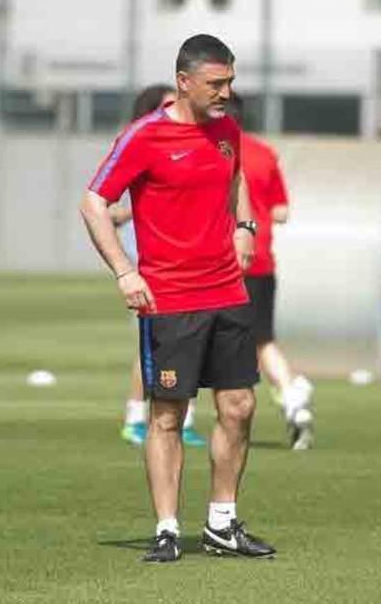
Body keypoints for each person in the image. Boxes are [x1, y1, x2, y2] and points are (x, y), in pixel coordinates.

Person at [80, 33, 275, 564]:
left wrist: (244, 226)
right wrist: (124, 270)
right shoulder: (144, 136)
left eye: (231, 82)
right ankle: (166, 528)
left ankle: (222, 524)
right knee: (167, 414)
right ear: (183, 83)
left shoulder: (228, 130)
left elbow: (236, 180)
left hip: (227, 292)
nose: (226, 93)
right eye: (216, 84)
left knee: (240, 406)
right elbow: (94, 203)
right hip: (169, 299)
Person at [114, 84, 208, 449]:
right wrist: (124, 215)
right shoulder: (143, 143)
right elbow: (104, 203)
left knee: (192, 344)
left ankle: (182, 422)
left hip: (196, 264)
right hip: (158, 267)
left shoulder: (199, 142)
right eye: (169, 104)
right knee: (154, 346)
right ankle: (136, 418)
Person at [226, 93, 316, 450]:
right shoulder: (264, 153)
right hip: (262, 260)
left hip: (224, 259)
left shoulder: (210, 151)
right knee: (263, 340)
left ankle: (180, 418)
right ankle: (294, 399)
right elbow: (281, 211)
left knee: (210, 340)